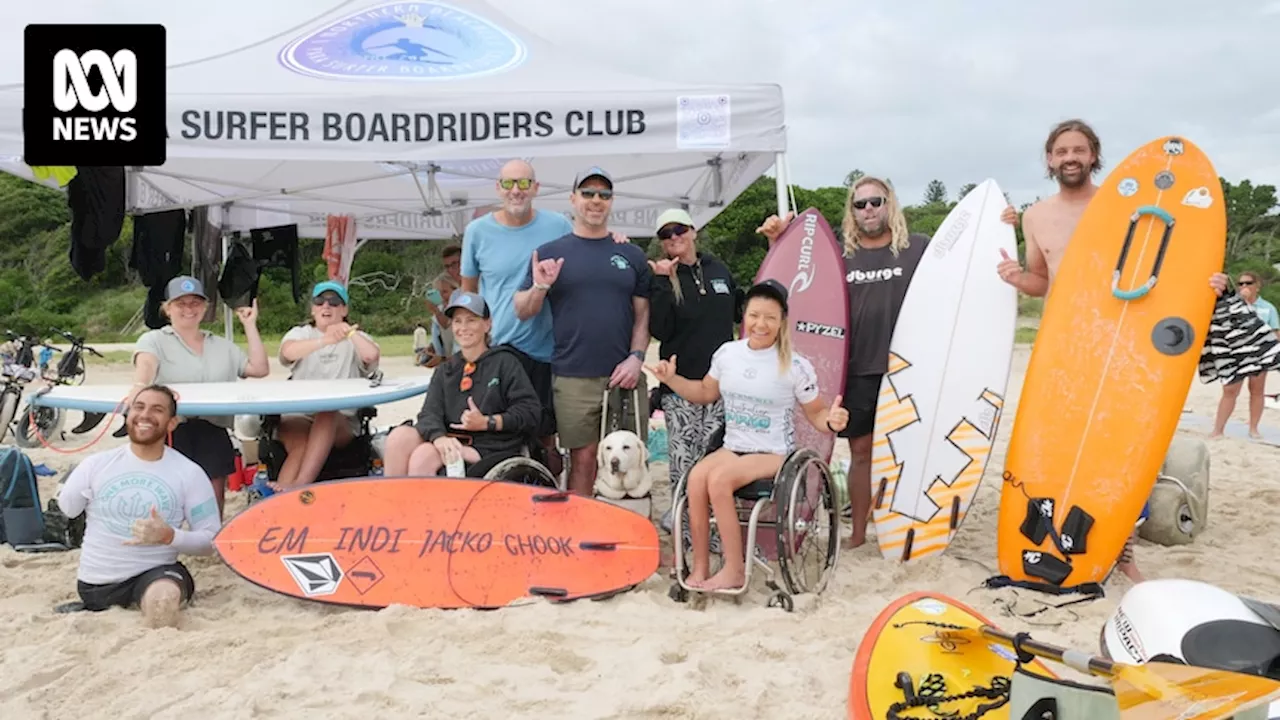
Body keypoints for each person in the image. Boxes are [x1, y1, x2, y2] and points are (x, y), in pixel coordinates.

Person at [997, 118, 1230, 583]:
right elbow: (1044, 281)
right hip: (1067, 343)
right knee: (1055, 441)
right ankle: (1045, 532)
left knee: (1123, 442)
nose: (1070, 158)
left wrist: (1211, 286)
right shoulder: (1035, 216)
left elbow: (1176, 260)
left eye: (1079, 150)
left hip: (1125, 342)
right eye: (1061, 151)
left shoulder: (1126, 204)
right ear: (1049, 159)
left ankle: (1121, 551)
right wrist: (1017, 279)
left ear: (1094, 156)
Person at [758, 175, 929, 550]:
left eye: (876, 202)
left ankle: (913, 526)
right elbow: (795, 290)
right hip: (857, 369)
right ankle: (860, 534)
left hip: (908, 369)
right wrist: (778, 242)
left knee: (911, 449)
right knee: (862, 452)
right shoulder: (838, 257)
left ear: (890, 204)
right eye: (860, 204)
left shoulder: (918, 249)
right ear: (852, 211)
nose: (868, 209)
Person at [648, 280, 849, 590]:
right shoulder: (728, 353)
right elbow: (704, 392)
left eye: (770, 317)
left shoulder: (795, 365)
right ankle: (700, 567)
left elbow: (818, 415)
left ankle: (734, 569)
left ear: (782, 320)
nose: (761, 324)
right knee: (696, 478)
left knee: (718, 480)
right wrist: (672, 379)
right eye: (755, 315)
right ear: (744, 316)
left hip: (772, 453)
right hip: (734, 446)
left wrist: (833, 420)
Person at [460, 159, 630, 478]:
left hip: (552, 350)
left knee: (548, 438)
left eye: (524, 184)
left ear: (536, 188)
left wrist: (614, 240)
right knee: (502, 436)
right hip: (502, 349)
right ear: (498, 188)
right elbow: (469, 294)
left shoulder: (557, 225)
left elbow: (588, 241)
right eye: (509, 183)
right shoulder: (477, 232)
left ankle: (551, 502)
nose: (516, 191)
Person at [513, 166, 653, 496]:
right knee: (585, 459)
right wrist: (540, 286)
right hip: (573, 376)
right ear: (573, 199)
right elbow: (522, 310)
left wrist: (636, 358)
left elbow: (643, 318)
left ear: (612, 201)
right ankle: (581, 535)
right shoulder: (549, 253)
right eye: (588, 193)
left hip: (624, 376)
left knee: (630, 460)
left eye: (603, 195)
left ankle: (623, 534)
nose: (595, 201)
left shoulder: (631, 254)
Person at [56, 384, 221, 628]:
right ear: (128, 414)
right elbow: (68, 509)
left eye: (157, 410)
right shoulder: (96, 464)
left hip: (155, 573)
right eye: (139, 407)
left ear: (172, 423)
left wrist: (169, 536)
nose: (145, 415)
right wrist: (73, 486)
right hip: (96, 585)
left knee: (162, 604)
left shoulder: (189, 473)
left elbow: (211, 541)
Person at [130, 276, 270, 520]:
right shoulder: (154, 340)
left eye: (195, 303)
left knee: (212, 488)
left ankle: (209, 531)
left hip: (212, 426)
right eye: (180, 303)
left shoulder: (222, 346)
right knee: (165, 490)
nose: (188, 309)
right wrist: (141, 386)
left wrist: (250, 325)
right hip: (172, 427)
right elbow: (146, 364)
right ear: (167, 308)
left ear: (204, 308)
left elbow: (259, 369)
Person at [647, 207, 743, 532]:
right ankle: (683, 526)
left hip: (721, 386)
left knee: (716, 458)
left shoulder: (719, 269)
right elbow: (659, 329)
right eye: (666, 234)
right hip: (680, 385)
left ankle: (714, 525)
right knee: (683, 461)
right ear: (662, 242)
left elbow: (742, 313)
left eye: (679, 230)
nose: (675, 237)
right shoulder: (662, 277)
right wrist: (661, 281)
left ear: (693, 230)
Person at [383, 292, 544, 478]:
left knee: (424, 456)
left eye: (471, 320)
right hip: (451, 439)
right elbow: (429, 414)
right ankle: (394, 504)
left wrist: (487, 422)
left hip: (490, 446)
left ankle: (426, 506)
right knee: (399, 438)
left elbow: (530, 412)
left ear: (487, 324)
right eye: (458, 321)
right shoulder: (446, 370)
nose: (463, 327)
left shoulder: (505, 363)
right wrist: (439, 437)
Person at [270, 281, 381, 491]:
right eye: (320, 301)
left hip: (342, 421)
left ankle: (301, 486)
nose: (326, 307)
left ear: (344, 309)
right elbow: (288, 352)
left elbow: (371, 355)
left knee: (327, 413)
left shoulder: (356, 337)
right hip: (299, 414)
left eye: (334, 302)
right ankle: (281, 494)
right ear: (313, 309)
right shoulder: (301, 333)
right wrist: (324, 341)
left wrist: (348, 332)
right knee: (300, 443)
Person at [1210, 271, 1280, 440]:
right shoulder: (1233, 305)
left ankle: (1253, 428)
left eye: (1248, 283)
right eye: (1241, 284)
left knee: (1257, 391)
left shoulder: (1267, 308)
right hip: (1236, 353)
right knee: (1230, 391)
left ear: (1257, 286)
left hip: (1258, 355)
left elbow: (1275, 332)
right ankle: (1218, 430)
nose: (1244, 287)